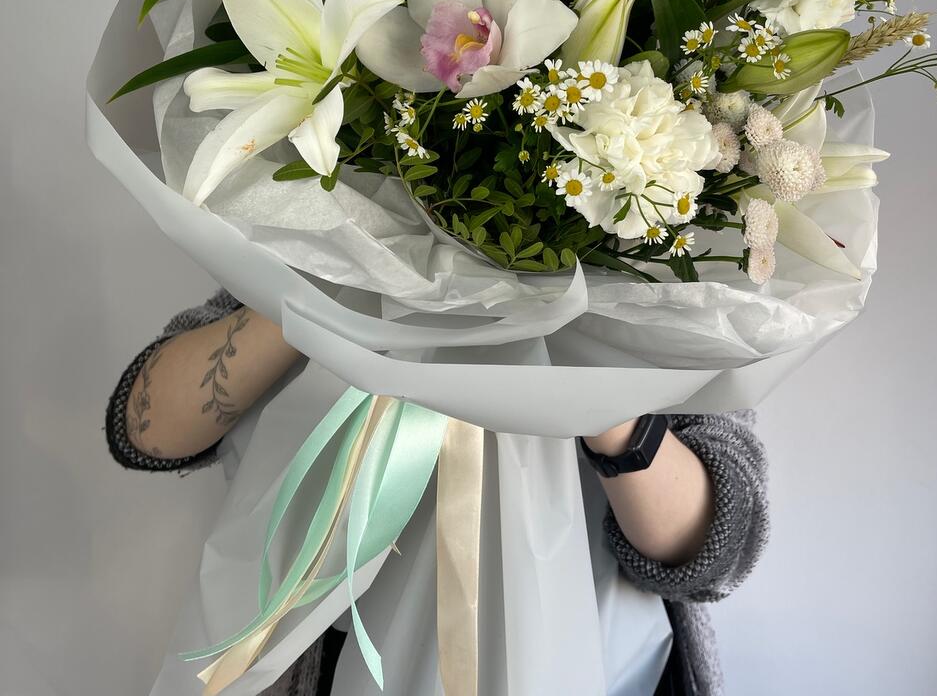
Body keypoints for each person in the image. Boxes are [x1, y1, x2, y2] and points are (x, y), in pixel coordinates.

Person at [105, 289, 769, 696]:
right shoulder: (342, 203)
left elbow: (721, 549)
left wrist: (601, 395)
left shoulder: (667, 267)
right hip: (330, 647)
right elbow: (144, 431)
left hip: (588, 659)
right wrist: (335, 276)